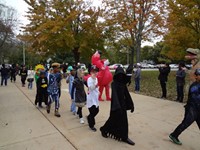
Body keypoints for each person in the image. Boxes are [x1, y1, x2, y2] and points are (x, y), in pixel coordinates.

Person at [100, 64, 135, 146]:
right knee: (112, 120)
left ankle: (124, 137)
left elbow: (126, 94)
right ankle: (104, 129)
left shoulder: (122, 83)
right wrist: (117, 107)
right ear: (116, 75)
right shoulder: (114, 84)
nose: (120, 76)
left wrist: (131, 104)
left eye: (121, 75)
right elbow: (115, 96)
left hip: (122, 105)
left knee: (124, 122)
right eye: (119, 75)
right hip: (116, 106)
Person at [169, 68, 200, 145]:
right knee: (185, 124)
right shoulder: (194, 87)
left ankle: (174, 135)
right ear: (196, 76)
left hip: (198, 109)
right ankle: (174, 135)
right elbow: (195, 99)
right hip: (192, 109)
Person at [86, 65, 99, 132]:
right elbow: (91, 88)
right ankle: (91, 125)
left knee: (97, 110)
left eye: (96, 71)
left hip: (95, 97)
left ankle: (89, 117)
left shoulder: (96, 78)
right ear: (90, 72)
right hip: (91, 98)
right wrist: (94, 81)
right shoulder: (89, 79)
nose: (95, 73)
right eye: (93, 71)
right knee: (92, 111)